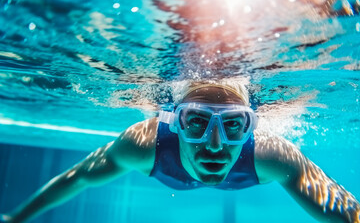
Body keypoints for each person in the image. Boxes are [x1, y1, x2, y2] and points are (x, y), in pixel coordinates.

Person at [1, 80, 359, 223]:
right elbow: (77, 178)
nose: (216, 145)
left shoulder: (271, 154)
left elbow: (344, 208)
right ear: (174, 122)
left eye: (235, 124)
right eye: (198, 122)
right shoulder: (144, 145)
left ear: (252, 125)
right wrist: (16, 219)